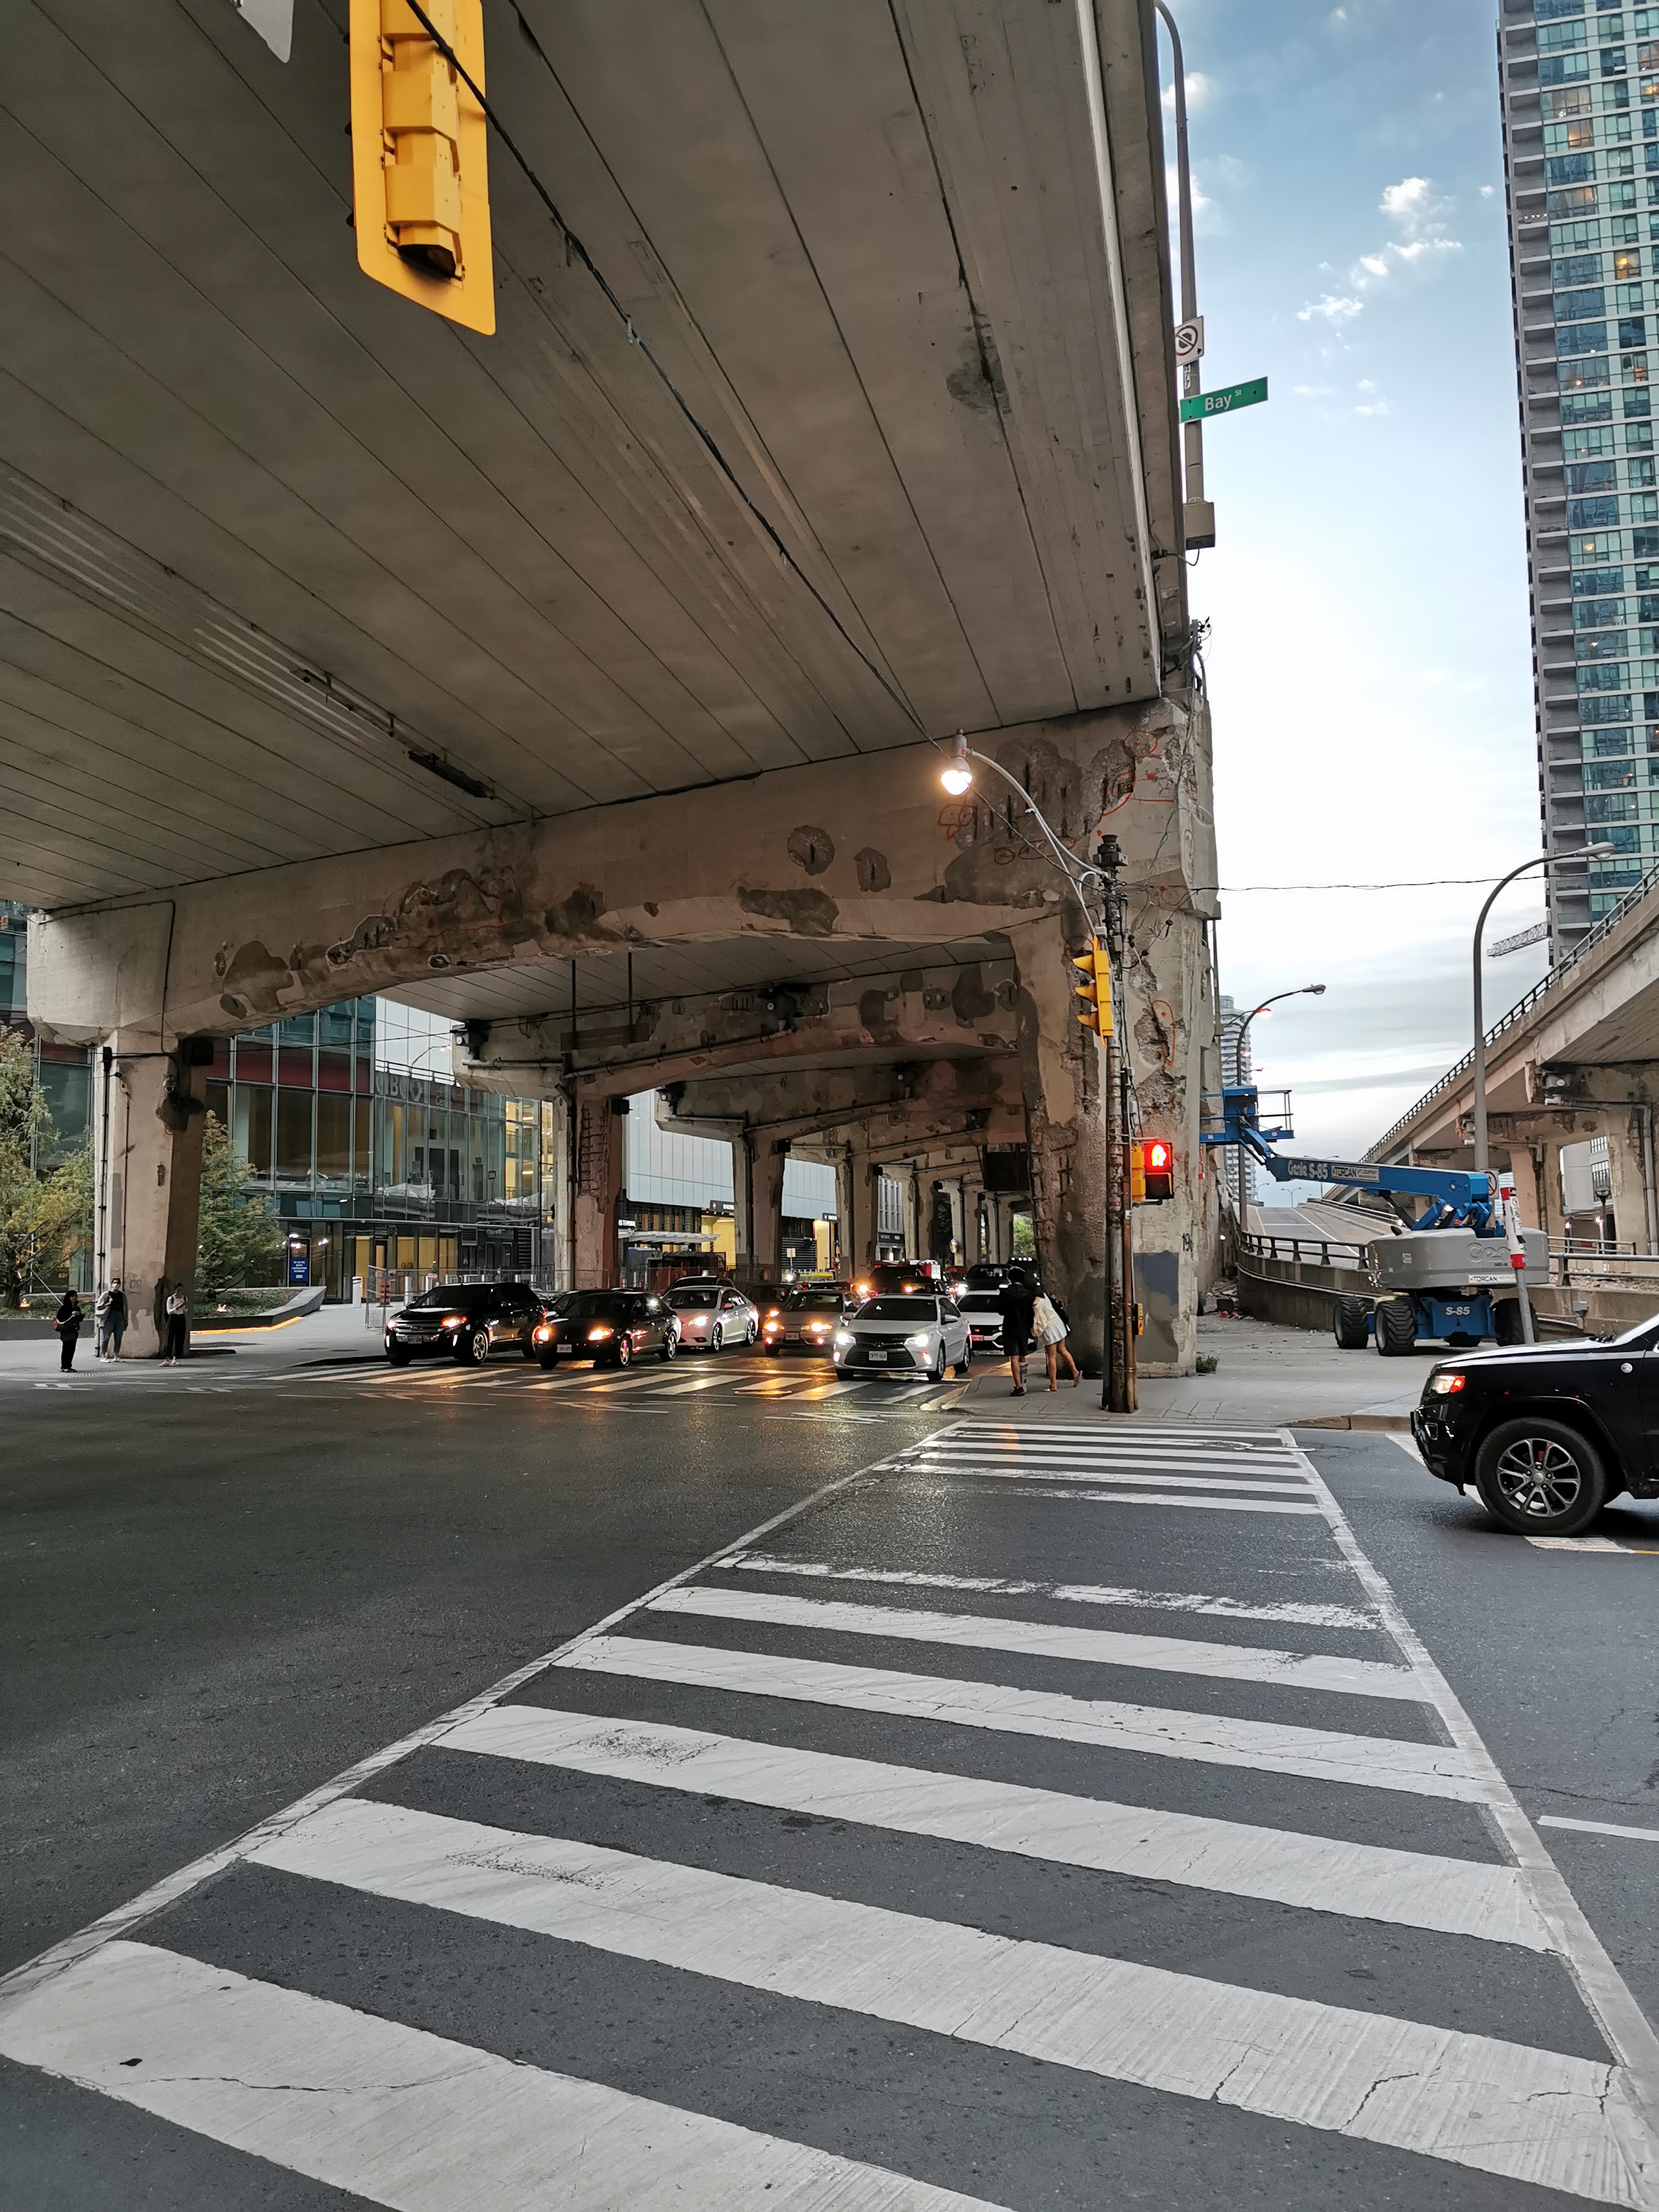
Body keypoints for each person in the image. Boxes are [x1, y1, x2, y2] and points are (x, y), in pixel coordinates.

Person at [999, 1267, 1037, 1396]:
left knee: (1013, 1358)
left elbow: (1001, 1311)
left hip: (1010, 1328)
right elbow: (1031, 1314)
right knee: (1022, 1356)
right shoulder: (1028, 1294)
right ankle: (1024, 1383)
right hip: (1024, 1329)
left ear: (1010, 1278)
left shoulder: (1005, 1293)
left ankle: (1018, 1387)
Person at [1033, 1287, 1080, 1390]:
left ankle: (1053, 1385)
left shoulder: (1036, 1303)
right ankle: (1075, 1372)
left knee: (1051, 1357)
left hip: (1049, 1329)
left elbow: (1040, 1320)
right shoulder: (1044, 1296)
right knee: (1062, 1350)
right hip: (1058, 1324)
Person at [95, 1278, 127, 1361]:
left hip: (120, 1317)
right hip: (108, 1317)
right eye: (115, 1283)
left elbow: (125, 1308)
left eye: (118, 1283)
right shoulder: (106, 1294)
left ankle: (116, 1355)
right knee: (105, 1337)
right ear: (112, 1284)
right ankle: (103, 1356)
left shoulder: (122, 1295)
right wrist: (108, 1303)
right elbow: (99, 1307)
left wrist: (126, 1319)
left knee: (118, 1337)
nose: (117, 1284)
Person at [53, 1288, 84, 1373]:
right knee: (66, 1348)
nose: (74, 1298)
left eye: (75, 1296)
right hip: (66, 1331)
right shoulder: (64, 1308)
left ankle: (69, 1365)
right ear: (69, 1297)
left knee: (72, 1349)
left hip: (74, 1331)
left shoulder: (77, 1308)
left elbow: (80, 1319)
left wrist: (78, 1314)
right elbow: (60, 1318)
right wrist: (71, 1314)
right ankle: (64, 1366)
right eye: (72, 1296)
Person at [163, 1283, 190, 1366]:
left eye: (181, 1290)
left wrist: (184, 1309)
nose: (180, 1292)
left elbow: (186, 1310)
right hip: (173, 1318)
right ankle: (167, 1359)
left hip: (181, 1317)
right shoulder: (171, 1299)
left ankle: (176, 1358)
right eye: (178, 1290)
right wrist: (178, 1307)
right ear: (175, 1290)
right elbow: (169, 1311)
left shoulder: (184, 1298)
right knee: (170, 1338)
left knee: (180, 1338)